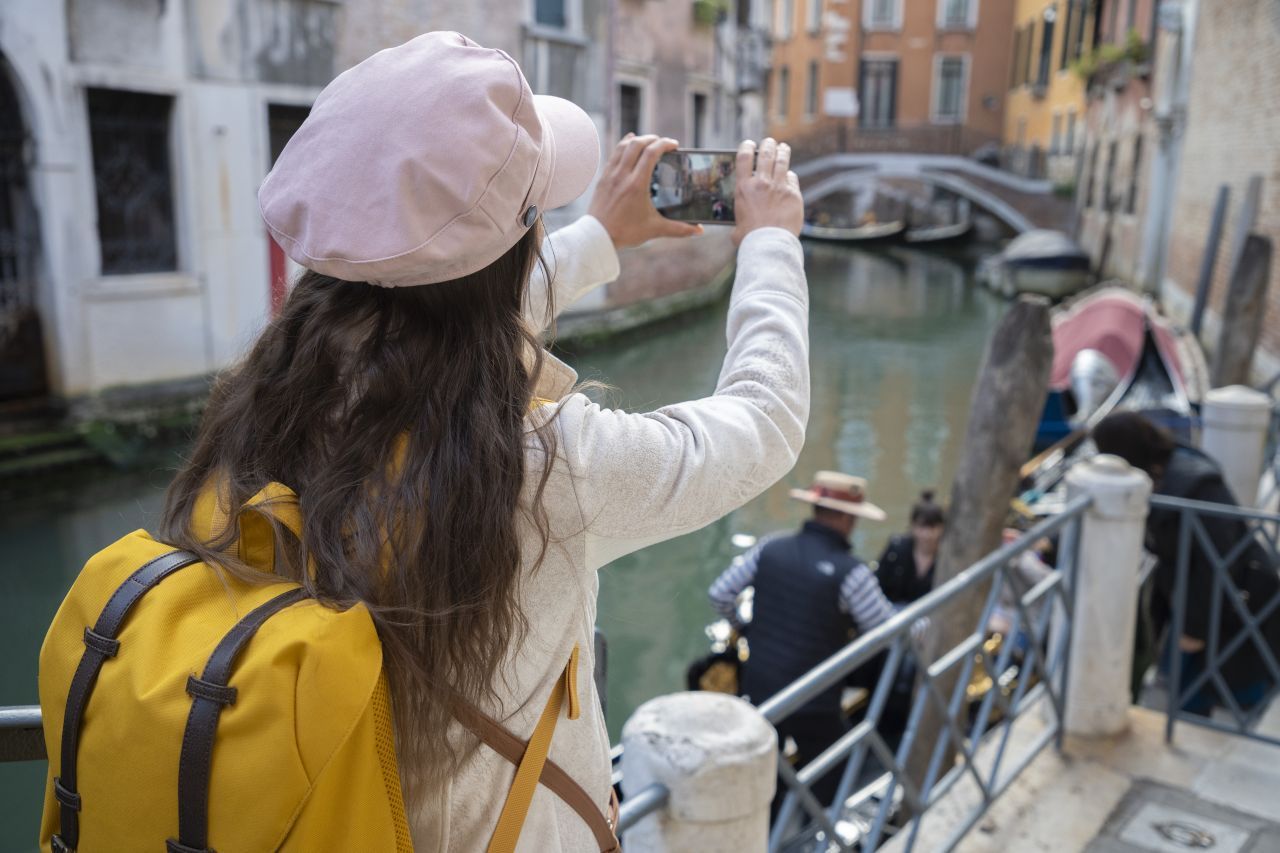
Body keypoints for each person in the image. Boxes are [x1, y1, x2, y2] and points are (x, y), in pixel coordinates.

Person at [159, 32, 810, 851]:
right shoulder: (543, 467)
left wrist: (601, 236)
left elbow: (433, 323)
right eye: (536, 214)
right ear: (517, 251)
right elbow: (765, 418)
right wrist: (772, 244)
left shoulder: (266, 402)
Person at [707, 471, 895, 808]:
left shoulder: (770, 548)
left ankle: (770, 828)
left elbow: (720, 594)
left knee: (768, 771)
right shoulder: (852, 572)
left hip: (761, 688)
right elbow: (886, 631)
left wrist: (746, 628)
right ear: (843, 516)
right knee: (834, 773)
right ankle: (825, 833)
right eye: (853, 517)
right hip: (815, 699)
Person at [1093, 412, 1280, 716]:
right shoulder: (1161, 472)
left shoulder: (1197, 486)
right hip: (1199, 598)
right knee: (1186, 688)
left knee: (1211, 694)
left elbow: (1219, 562)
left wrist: (1194, 629)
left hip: (1234, 601)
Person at [875, 490, 946, 605]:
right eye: (922, 527)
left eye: (932, 528)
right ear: (913, 526)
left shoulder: (946, 557)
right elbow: (878, 584)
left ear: (941, 528)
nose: (927, 535)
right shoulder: (897, 549)